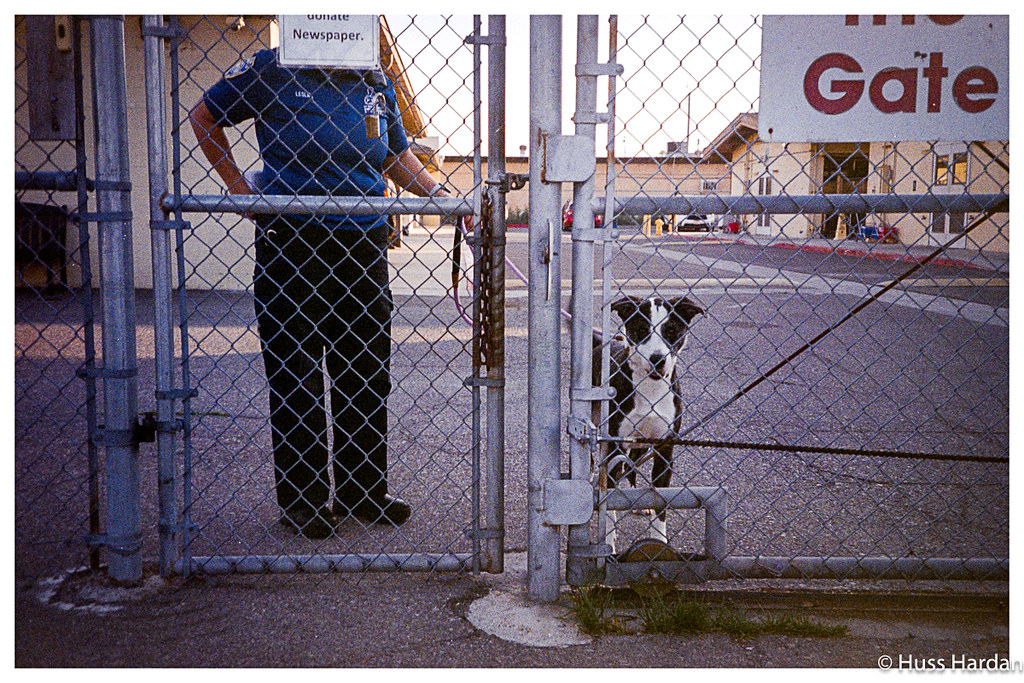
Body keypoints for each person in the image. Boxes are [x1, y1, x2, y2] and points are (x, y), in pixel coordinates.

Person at [190, 46, 461, 538]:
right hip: (293, 241)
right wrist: (235, 185)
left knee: (366, 371)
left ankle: (363, 491)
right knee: (297, 374)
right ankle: (305, 501)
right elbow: (206, 116)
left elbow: (397, 155)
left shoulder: (374, 79)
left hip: (363, 244)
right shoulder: (274, 68)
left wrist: (440, 195)